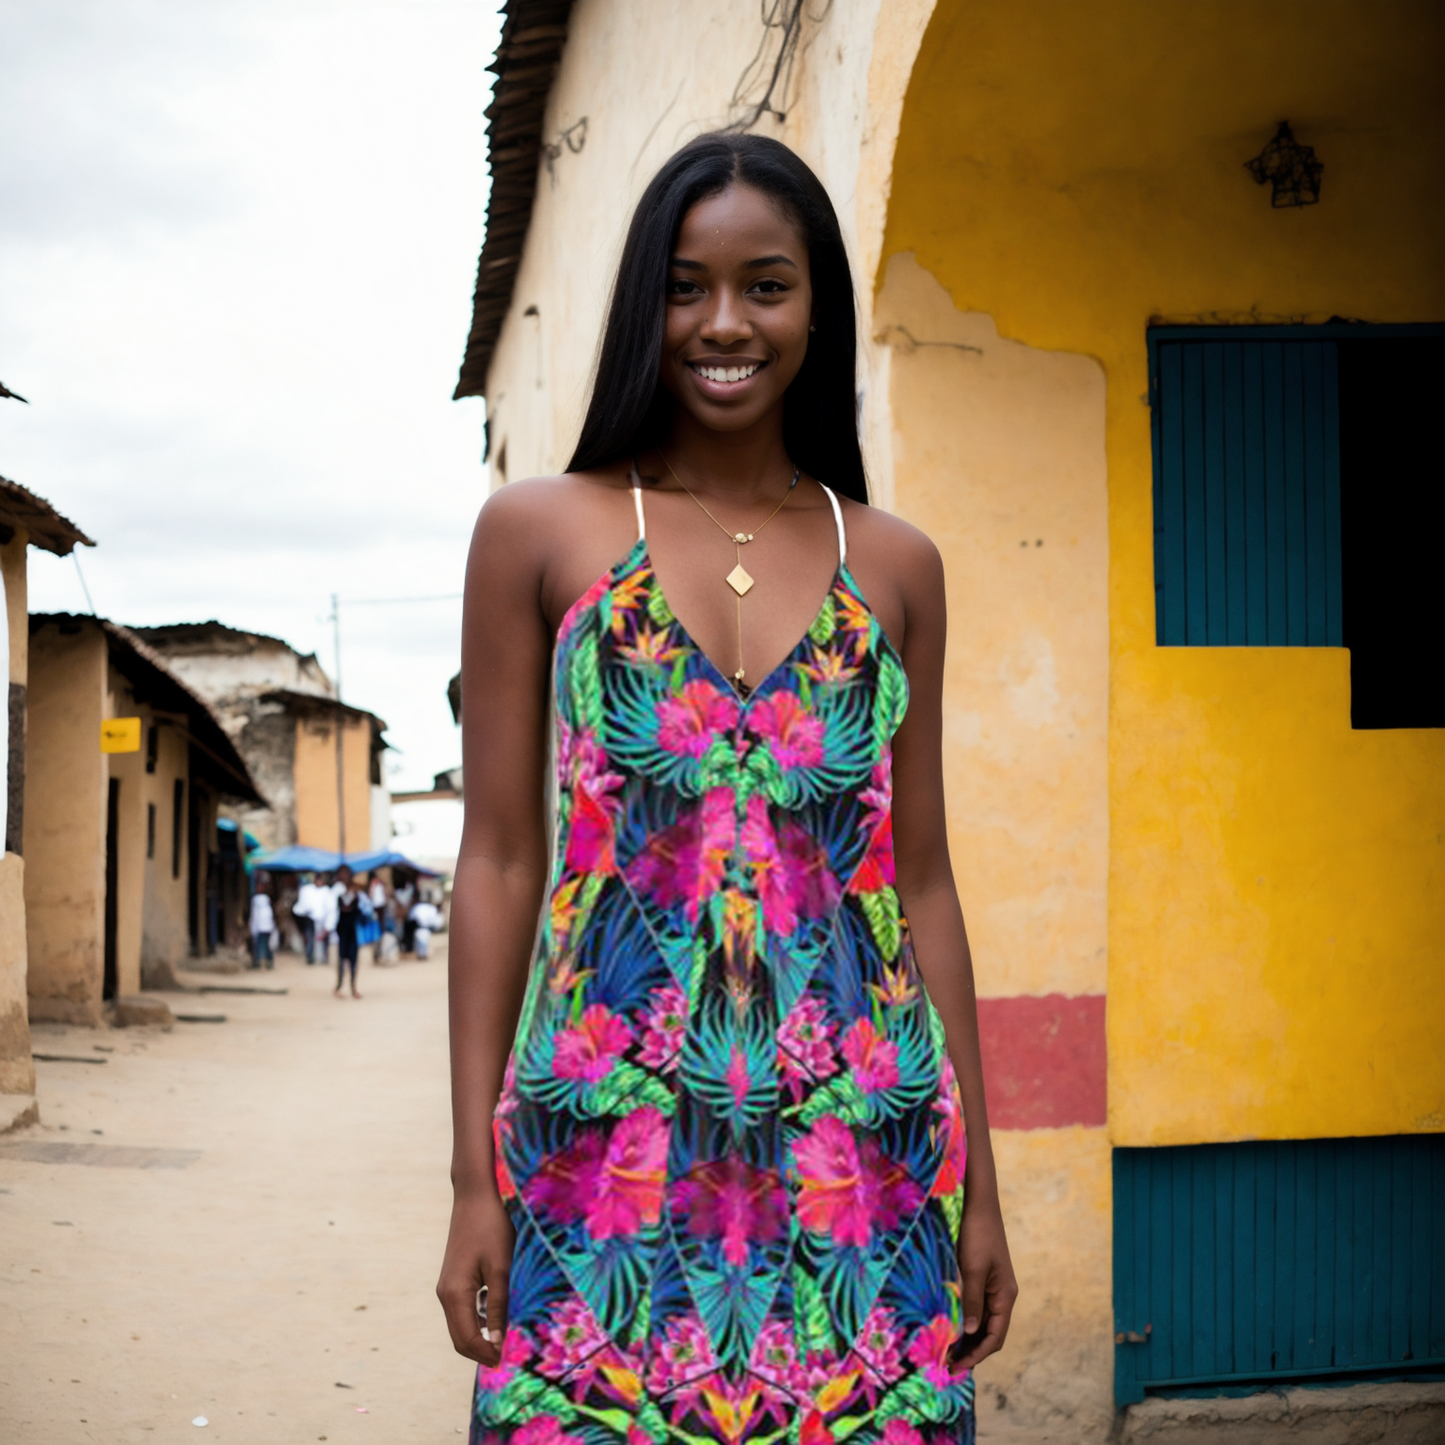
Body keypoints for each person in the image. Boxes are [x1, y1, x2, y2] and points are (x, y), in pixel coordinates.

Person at [437, 134, 1017, 1445]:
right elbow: (500, 861)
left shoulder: (898, 566)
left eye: (766, 284)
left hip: (860, 1162)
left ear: (818, 306)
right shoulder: (546, 531)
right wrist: (475, 1176)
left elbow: (917, 878)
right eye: (684, 286)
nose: (722, 324)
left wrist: (979, 1190)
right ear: (644, 300)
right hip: (604, 1160)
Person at [333, 866, 362, 999]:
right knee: (341, 961)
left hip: (352, 931)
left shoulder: (356, 894)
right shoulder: (337, 892)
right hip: (342, 932)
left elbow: (357, 912)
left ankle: (353, 988)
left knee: (353, 961)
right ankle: (338, 987)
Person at [248, 876, 276, 970]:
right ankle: (261, 963)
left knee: (265, 945)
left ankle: (265, 963)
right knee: (262, 945)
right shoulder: (256, 900)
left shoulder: (265, 900)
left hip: (266, 927)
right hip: (260, 927)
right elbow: (255, 915)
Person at [292, 873, 321, 964]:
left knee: (309, 936)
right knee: (310, 936)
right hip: (308, 917)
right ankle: (310, 956)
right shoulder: (310, 889)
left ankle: (310, 955)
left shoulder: (306, 889)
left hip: (308, 917)